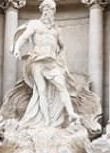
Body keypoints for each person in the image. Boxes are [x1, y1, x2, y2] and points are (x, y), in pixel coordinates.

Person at [11, 0, 80, 129]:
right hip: (37, 60)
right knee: (41, 91)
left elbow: (63, 46)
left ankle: (71, 114)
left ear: (54, 12)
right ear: (42, 10)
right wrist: (16, 48)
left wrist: (62, 61)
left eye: (51, 9)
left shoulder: (56, 30)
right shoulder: (35, 24)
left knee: (62, 86)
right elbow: (24, 37)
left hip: (52, 62)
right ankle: (46, 121)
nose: (48, 12)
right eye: (46, 9)